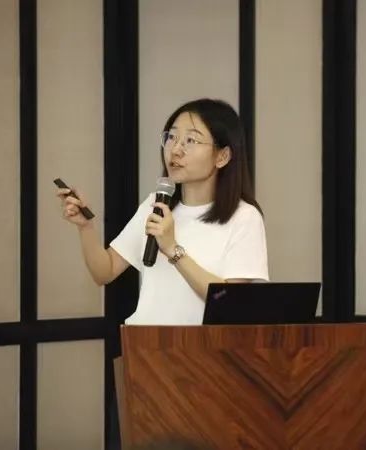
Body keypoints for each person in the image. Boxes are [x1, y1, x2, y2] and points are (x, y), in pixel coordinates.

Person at [57, 98, 269, 325]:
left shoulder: (244, 217)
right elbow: (104, 272)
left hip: (200, 346)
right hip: (144, 342)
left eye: (191, 140)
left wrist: (173, 250)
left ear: (222, 156)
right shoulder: (156, 205)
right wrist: (85, 227)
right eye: (171, 137)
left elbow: (229, 303)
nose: (175, 150)